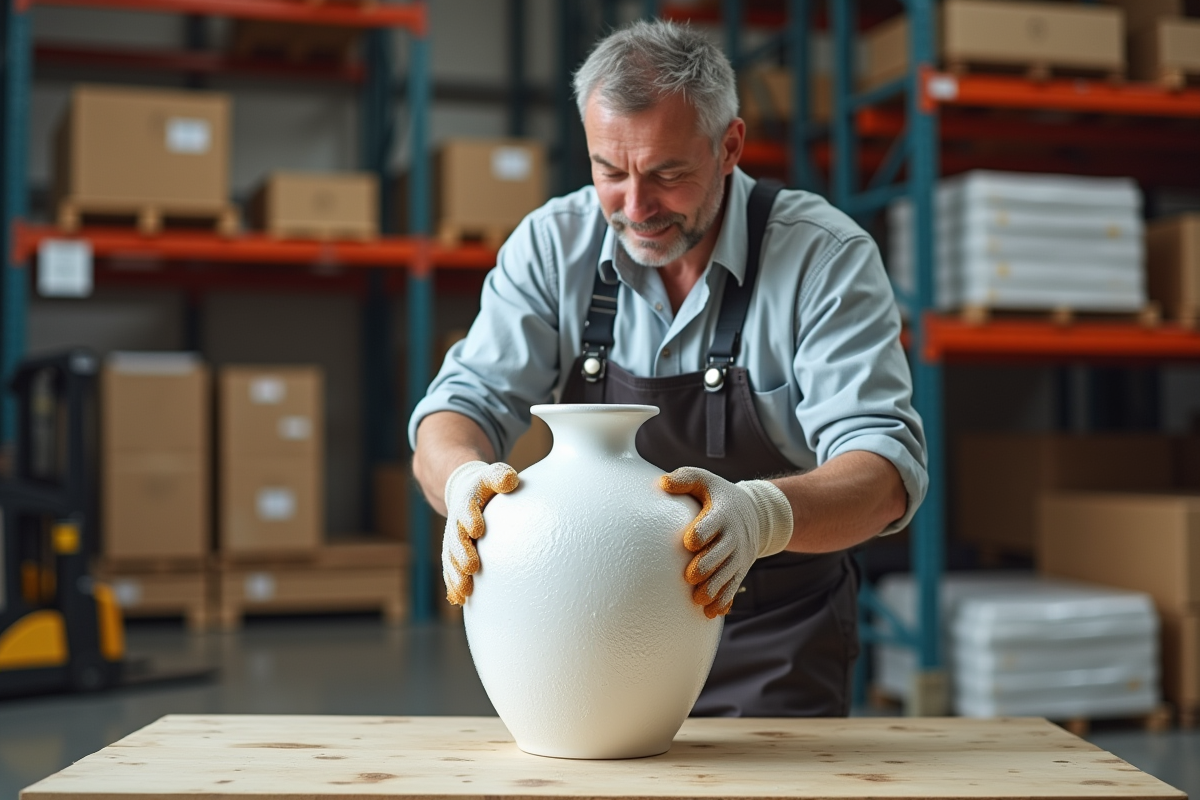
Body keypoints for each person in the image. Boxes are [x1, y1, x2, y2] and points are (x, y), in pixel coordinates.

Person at [409, 19, 927, 717]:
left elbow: (885, 473)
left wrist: (762, 516)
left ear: (729, 147)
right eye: (609, 172)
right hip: (590, 636)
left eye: (667, 174)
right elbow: (458, 409)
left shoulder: (823, 258)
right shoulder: (551, 247)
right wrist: (462, 479)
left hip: (771, 643)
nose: (635, 208)